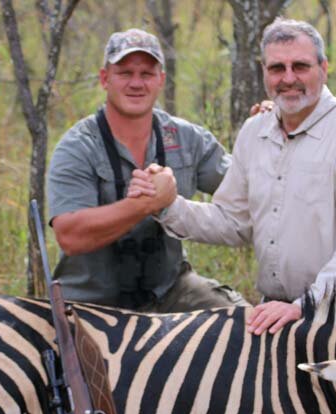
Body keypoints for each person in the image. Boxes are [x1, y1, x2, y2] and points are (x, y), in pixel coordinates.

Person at [131, 18, 336, 334]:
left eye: (301, 66)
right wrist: (167, 205)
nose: (289, 78)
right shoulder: (255, 132)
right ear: (264, 72)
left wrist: (302, 307)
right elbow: (233, 221)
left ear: (324, 68)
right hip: (276, 314)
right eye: (277, 68)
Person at [47, 28, 247, 311]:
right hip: (91, 303)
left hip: (170, 290)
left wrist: (272, 129)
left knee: (247, 323)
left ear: (161, 80)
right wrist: (144, 205)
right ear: (105, 79)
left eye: (147, 74)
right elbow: (70, 236)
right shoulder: (77, 147)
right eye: (125, 73)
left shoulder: (186, 139)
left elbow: (248, 186)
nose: (136, 83)